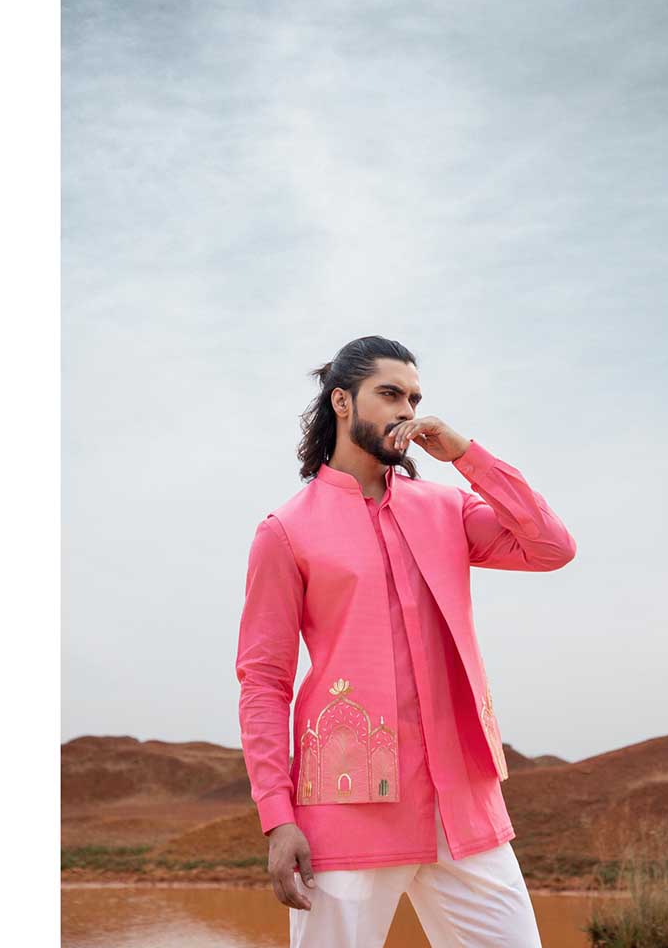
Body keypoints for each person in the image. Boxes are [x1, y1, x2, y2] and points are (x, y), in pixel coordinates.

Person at [235, 335, 577, 947]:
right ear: (342, 401)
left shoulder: (447, 508)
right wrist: (277, 818)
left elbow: (552, 547)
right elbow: (263, 682)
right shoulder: (286, 531)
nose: (406, 410)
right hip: (346, 807)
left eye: (414, 398)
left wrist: (465, 454)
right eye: (389, 393)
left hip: (462, 805)